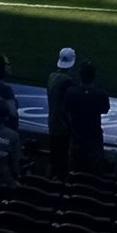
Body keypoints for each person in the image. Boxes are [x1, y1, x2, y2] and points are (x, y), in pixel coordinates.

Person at [65, 60, 111, 174]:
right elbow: (105, 110)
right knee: (93, 175)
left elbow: (66, 110)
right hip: (93, 140)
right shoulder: (101, 94)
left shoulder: (71, 92)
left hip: (76, 139)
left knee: (74, 173)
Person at [45, 47, 79, 179]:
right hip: (63, 126)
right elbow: (68, 107)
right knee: (62, 160)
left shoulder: (52, 77)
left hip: (52, 122)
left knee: (53, 157)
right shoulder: (68, 82)